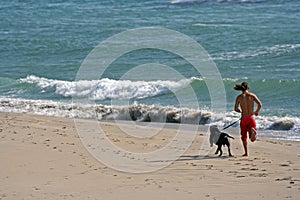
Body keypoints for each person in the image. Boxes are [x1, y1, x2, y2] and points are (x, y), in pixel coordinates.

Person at [234, 82, 262, 156]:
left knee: (244, 137)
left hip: (244, 118)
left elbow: (235, 109)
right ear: (248, 87)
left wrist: (240, 111)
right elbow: (260, 104)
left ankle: (246, 153)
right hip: (251, 118)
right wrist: (256, 112)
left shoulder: (239, 97)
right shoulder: (252, 95)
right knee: (252, 139)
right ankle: (253, 131)